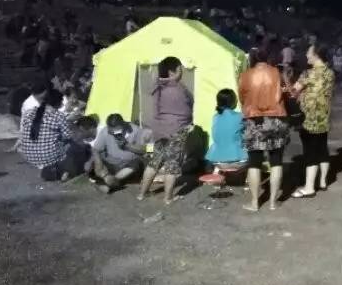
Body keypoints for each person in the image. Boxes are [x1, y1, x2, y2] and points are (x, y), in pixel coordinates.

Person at [137, 57, 194, 205]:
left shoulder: (158, 86)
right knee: (172, 164)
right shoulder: (178, 88)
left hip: (159, 129)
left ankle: (142, 193)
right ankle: (168, 198)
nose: (182, 72)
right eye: (180, 69)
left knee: (155, 161)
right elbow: (188, 105)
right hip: (176, 129)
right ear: (171, 72)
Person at [239, 48, 289, 211]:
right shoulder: (276, 72)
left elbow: (242, 97)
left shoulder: (246, 75)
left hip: (254, 120)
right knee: (276, 161)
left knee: (254, 162)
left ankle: (254, 203)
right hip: (276, 119)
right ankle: (273, 202)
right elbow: (285, 92)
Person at [291, 44, 335, 198]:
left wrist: (287, 80)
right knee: (322, 148)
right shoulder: (330, 73)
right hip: (324, 117)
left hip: (308, 118)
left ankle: (309, 188)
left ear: (316, 55)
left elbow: (294, 91)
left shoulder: (307, 73)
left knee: (310, 153)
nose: (306, 55)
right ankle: (322, 182)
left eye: (308, 53)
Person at [19, 89, 83, 181]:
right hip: (47, 156)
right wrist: (70, 122)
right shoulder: (58, 116)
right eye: (62, 101)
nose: (63, 103)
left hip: (29, 155)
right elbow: (68, 136)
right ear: (58, 103)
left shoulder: (29, 112)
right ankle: (64, 170)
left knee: (55, 138)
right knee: (76, 146)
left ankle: (53, 170)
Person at [91, 114, 150, 193]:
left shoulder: (135, 130)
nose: (113, 134)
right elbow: (95, 150)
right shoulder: (105, 131)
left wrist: (127, 145)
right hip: (111, 163)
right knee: (94, 160)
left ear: (123, 125)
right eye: (111, 132)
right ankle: (110, 180)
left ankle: (111, 182)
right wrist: (99, 164)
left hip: (128, 165)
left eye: (116, 132)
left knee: (137, 164)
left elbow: (146, 149)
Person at [205, 89, 247, 164]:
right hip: (236, 156)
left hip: (215, 156)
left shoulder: (215, 117)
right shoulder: (240, 116)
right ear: (232, 102)